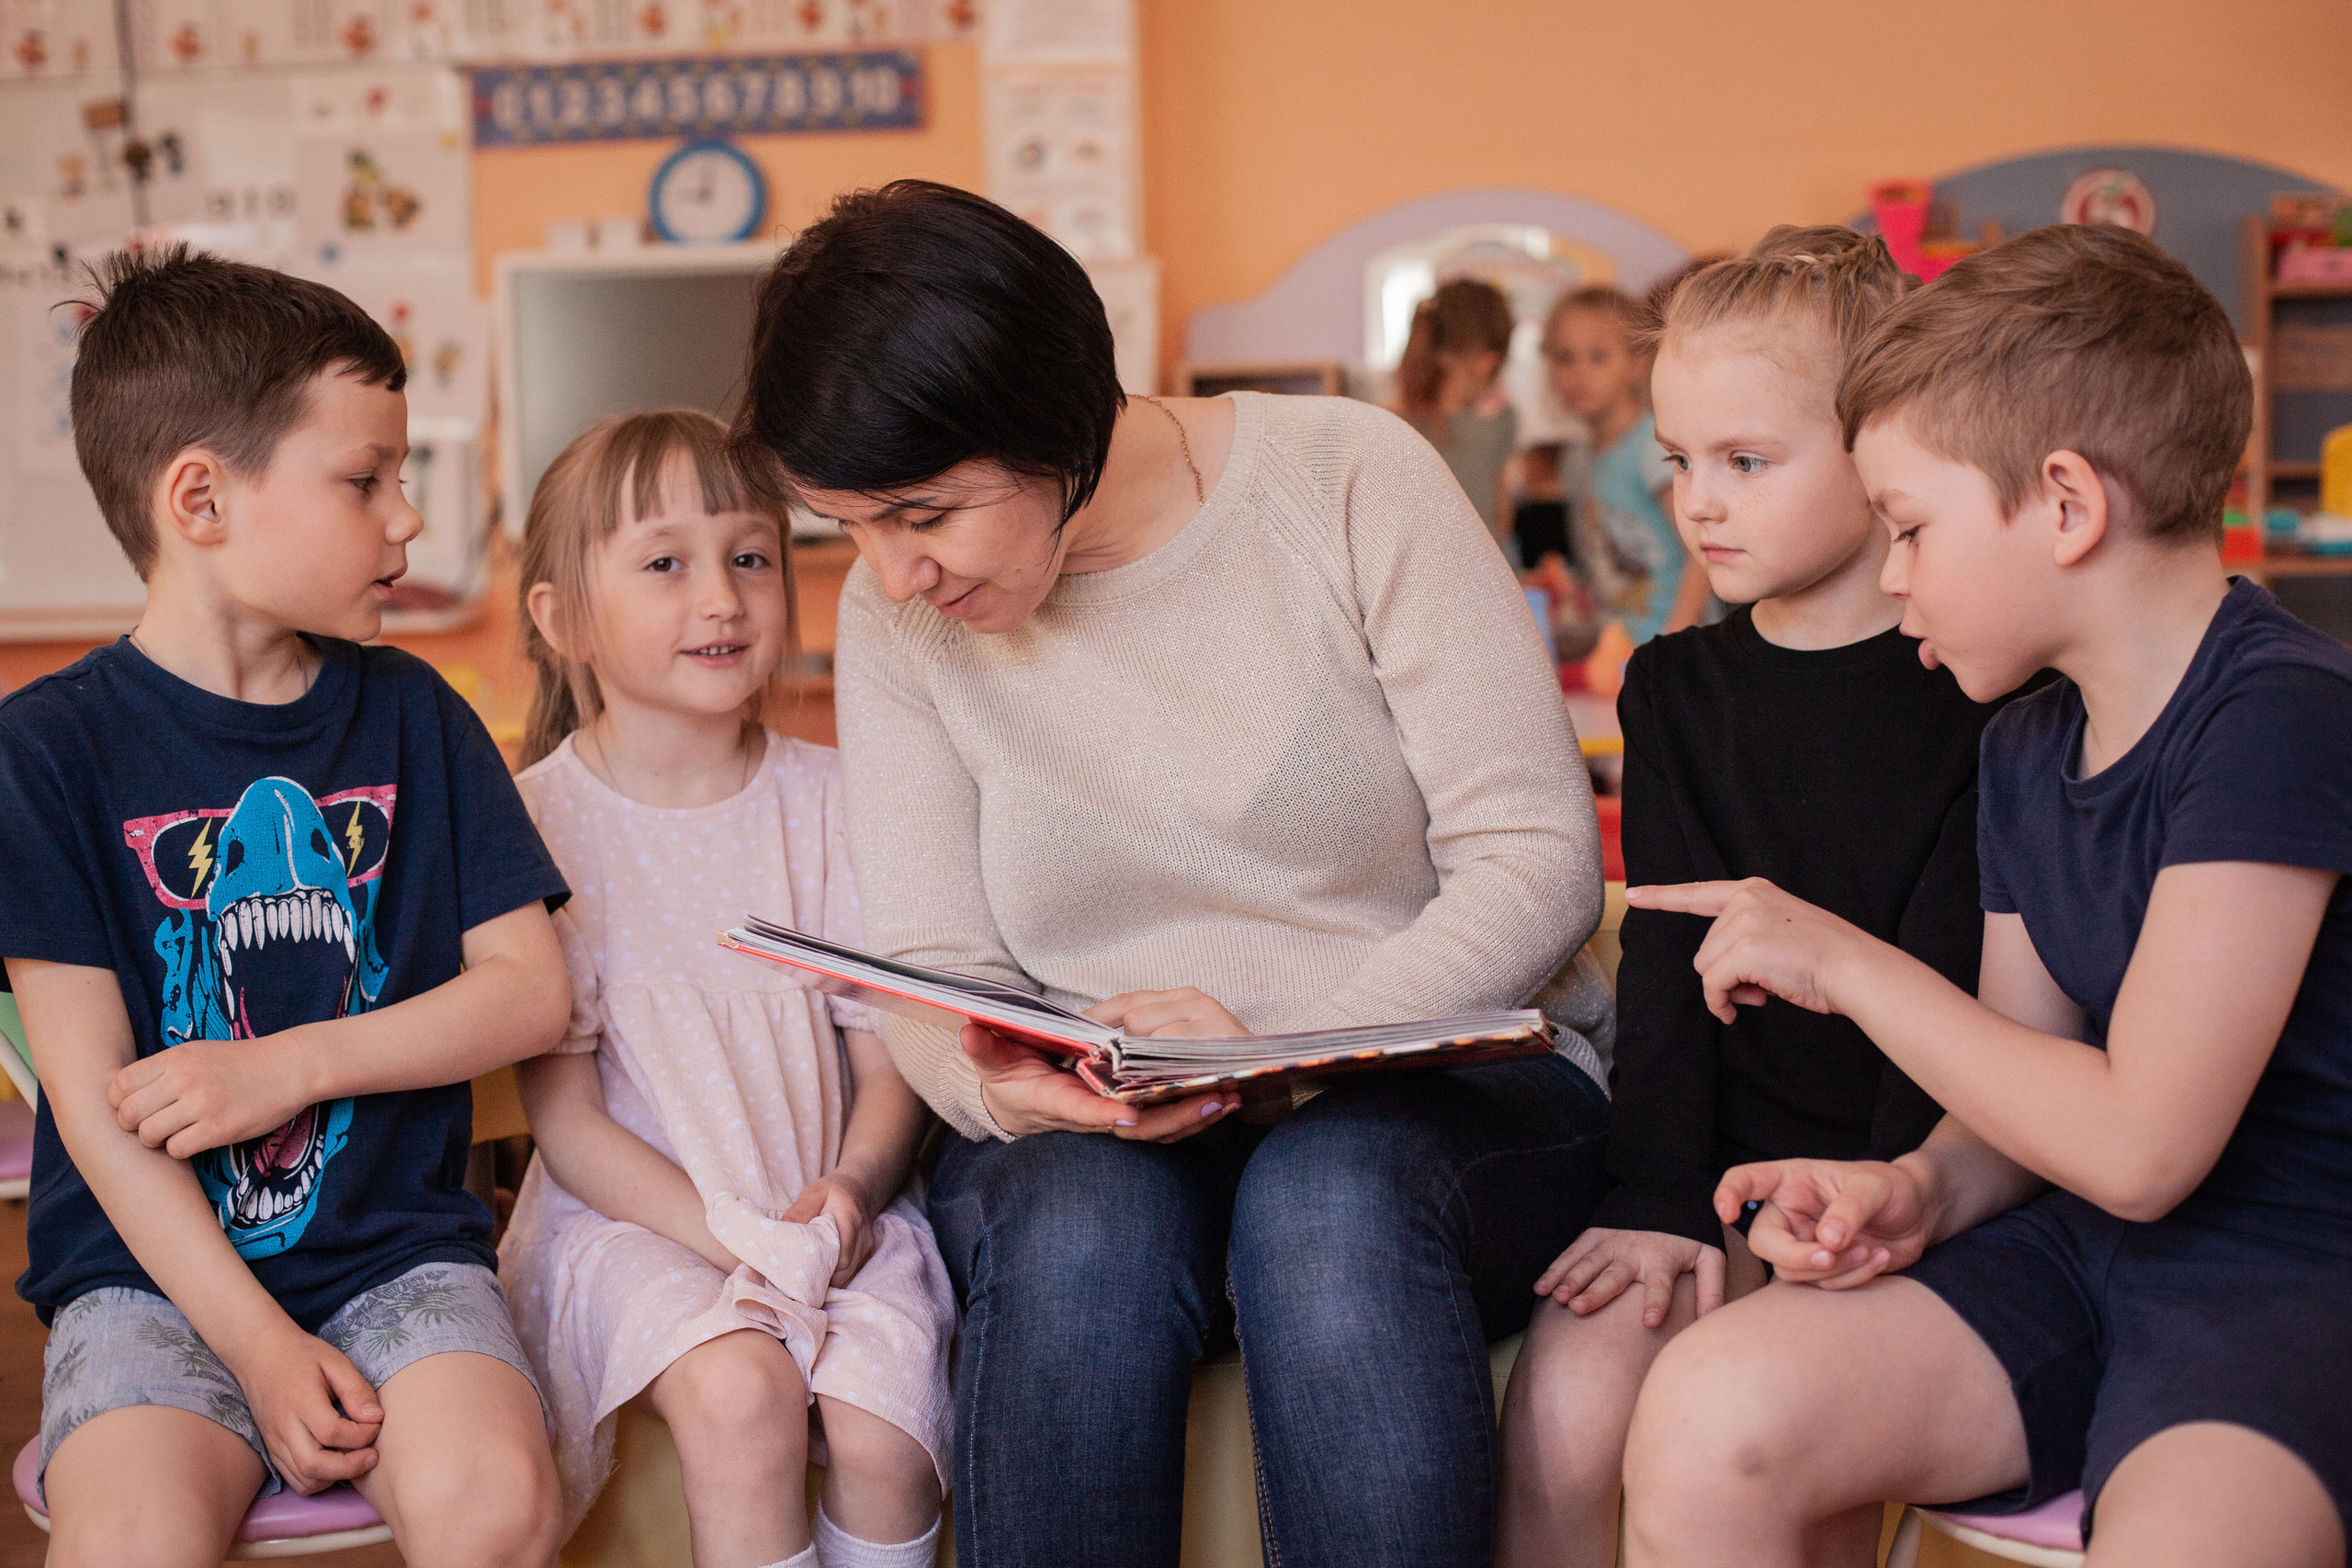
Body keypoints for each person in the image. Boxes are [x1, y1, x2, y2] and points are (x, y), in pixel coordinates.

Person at [737, 180, 1616, 1568]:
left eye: (924, 514)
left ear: (1056, 418)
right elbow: (933, 959)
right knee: (1085, 1229)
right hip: (1110, 1124)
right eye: (847, 525)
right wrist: (996, 1080)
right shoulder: (898, 617)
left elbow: (1537, 861)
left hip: (1443, 1086)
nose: (893, 574)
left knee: (1327, 1196)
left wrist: (1287, 1040)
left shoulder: (1345, 476)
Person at [1622, 225, 2352, 1568]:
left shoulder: (2280, 714)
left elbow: (2143, 1146)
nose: (1892, 574)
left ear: (2066, 504)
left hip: (2292, 1275)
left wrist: (1845, 963)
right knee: (1712, 1405)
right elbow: (2026, 1082)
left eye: (1910, 528)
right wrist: (1917, 1185)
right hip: (2073, 1258)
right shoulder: (2025, 739)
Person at [0, 247, 570, 1566]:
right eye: (366, 479)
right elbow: (91, 1102)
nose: (407, 517)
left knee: (498, 1503)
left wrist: (284, 1067)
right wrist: (255, 1345)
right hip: (151, 1285)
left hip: (402, 1264)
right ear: (200, 496)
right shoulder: (43, 753)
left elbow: (532, 989)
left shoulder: (418, 715)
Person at [1496, 228, 2018, 1567]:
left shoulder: (1981, 691)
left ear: (1877, 452)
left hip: (1914, 1171)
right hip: (1719, 1168)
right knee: (1563, 1415)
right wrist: (1662, 1195)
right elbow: (1664, 958)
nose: (1697, 504)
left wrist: (1871, 1198)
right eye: (1680, 462)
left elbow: (1961, 977)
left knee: (1778, 1452)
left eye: (1746, 462)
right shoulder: (1675, 686)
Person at [500, 410, 953, 1568]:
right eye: (665, 563)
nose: (722, 596)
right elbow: (565, 1119)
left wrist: (848, 1195)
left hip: (831, 1216)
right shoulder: (539, 827)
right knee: (742, 1392)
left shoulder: (833, 797)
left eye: (750, 555)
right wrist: (729, 1237)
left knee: (883, 1429)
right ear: (562, 621)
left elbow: (884, 1053)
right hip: (634, 1224)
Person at [1390, 276, 1522, 557]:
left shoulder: (1393, 421)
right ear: (1488, 361)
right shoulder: (1499, 421)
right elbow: (1503, 517)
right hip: (1486, 578)